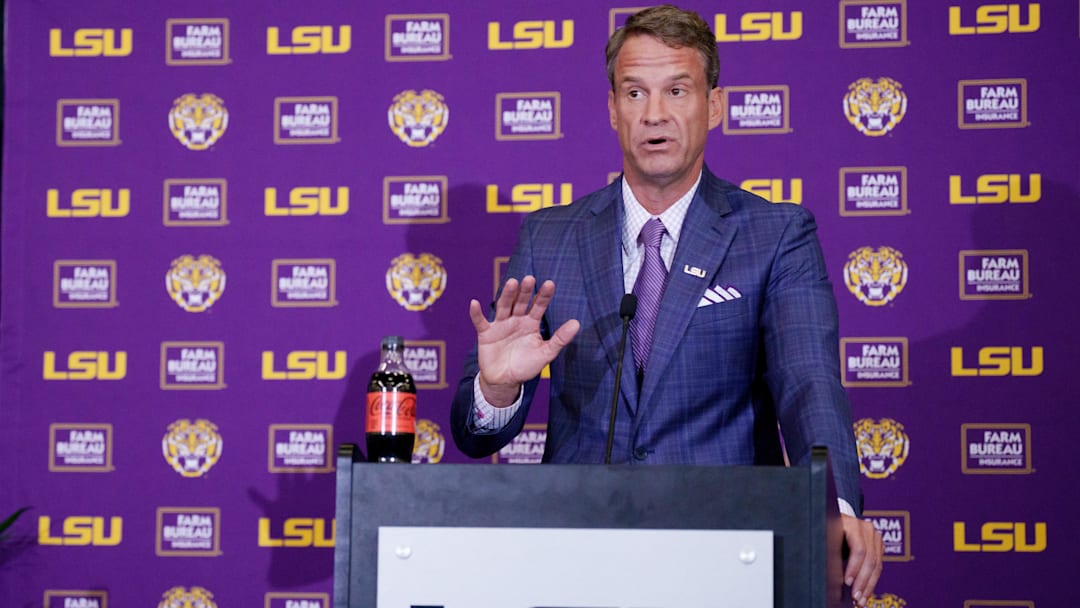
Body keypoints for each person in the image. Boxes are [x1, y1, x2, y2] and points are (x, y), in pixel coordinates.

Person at [451, 5, 882, 605]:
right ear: (612, 109)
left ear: (714, 106)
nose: (654, 114)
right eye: (635, 92)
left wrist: (837, 508)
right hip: (579, 556)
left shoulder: (774, 235)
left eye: (677, 90)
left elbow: (807, 381)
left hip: (728, 556)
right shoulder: (550, 236)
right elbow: (474, 436)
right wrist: (496, 392)